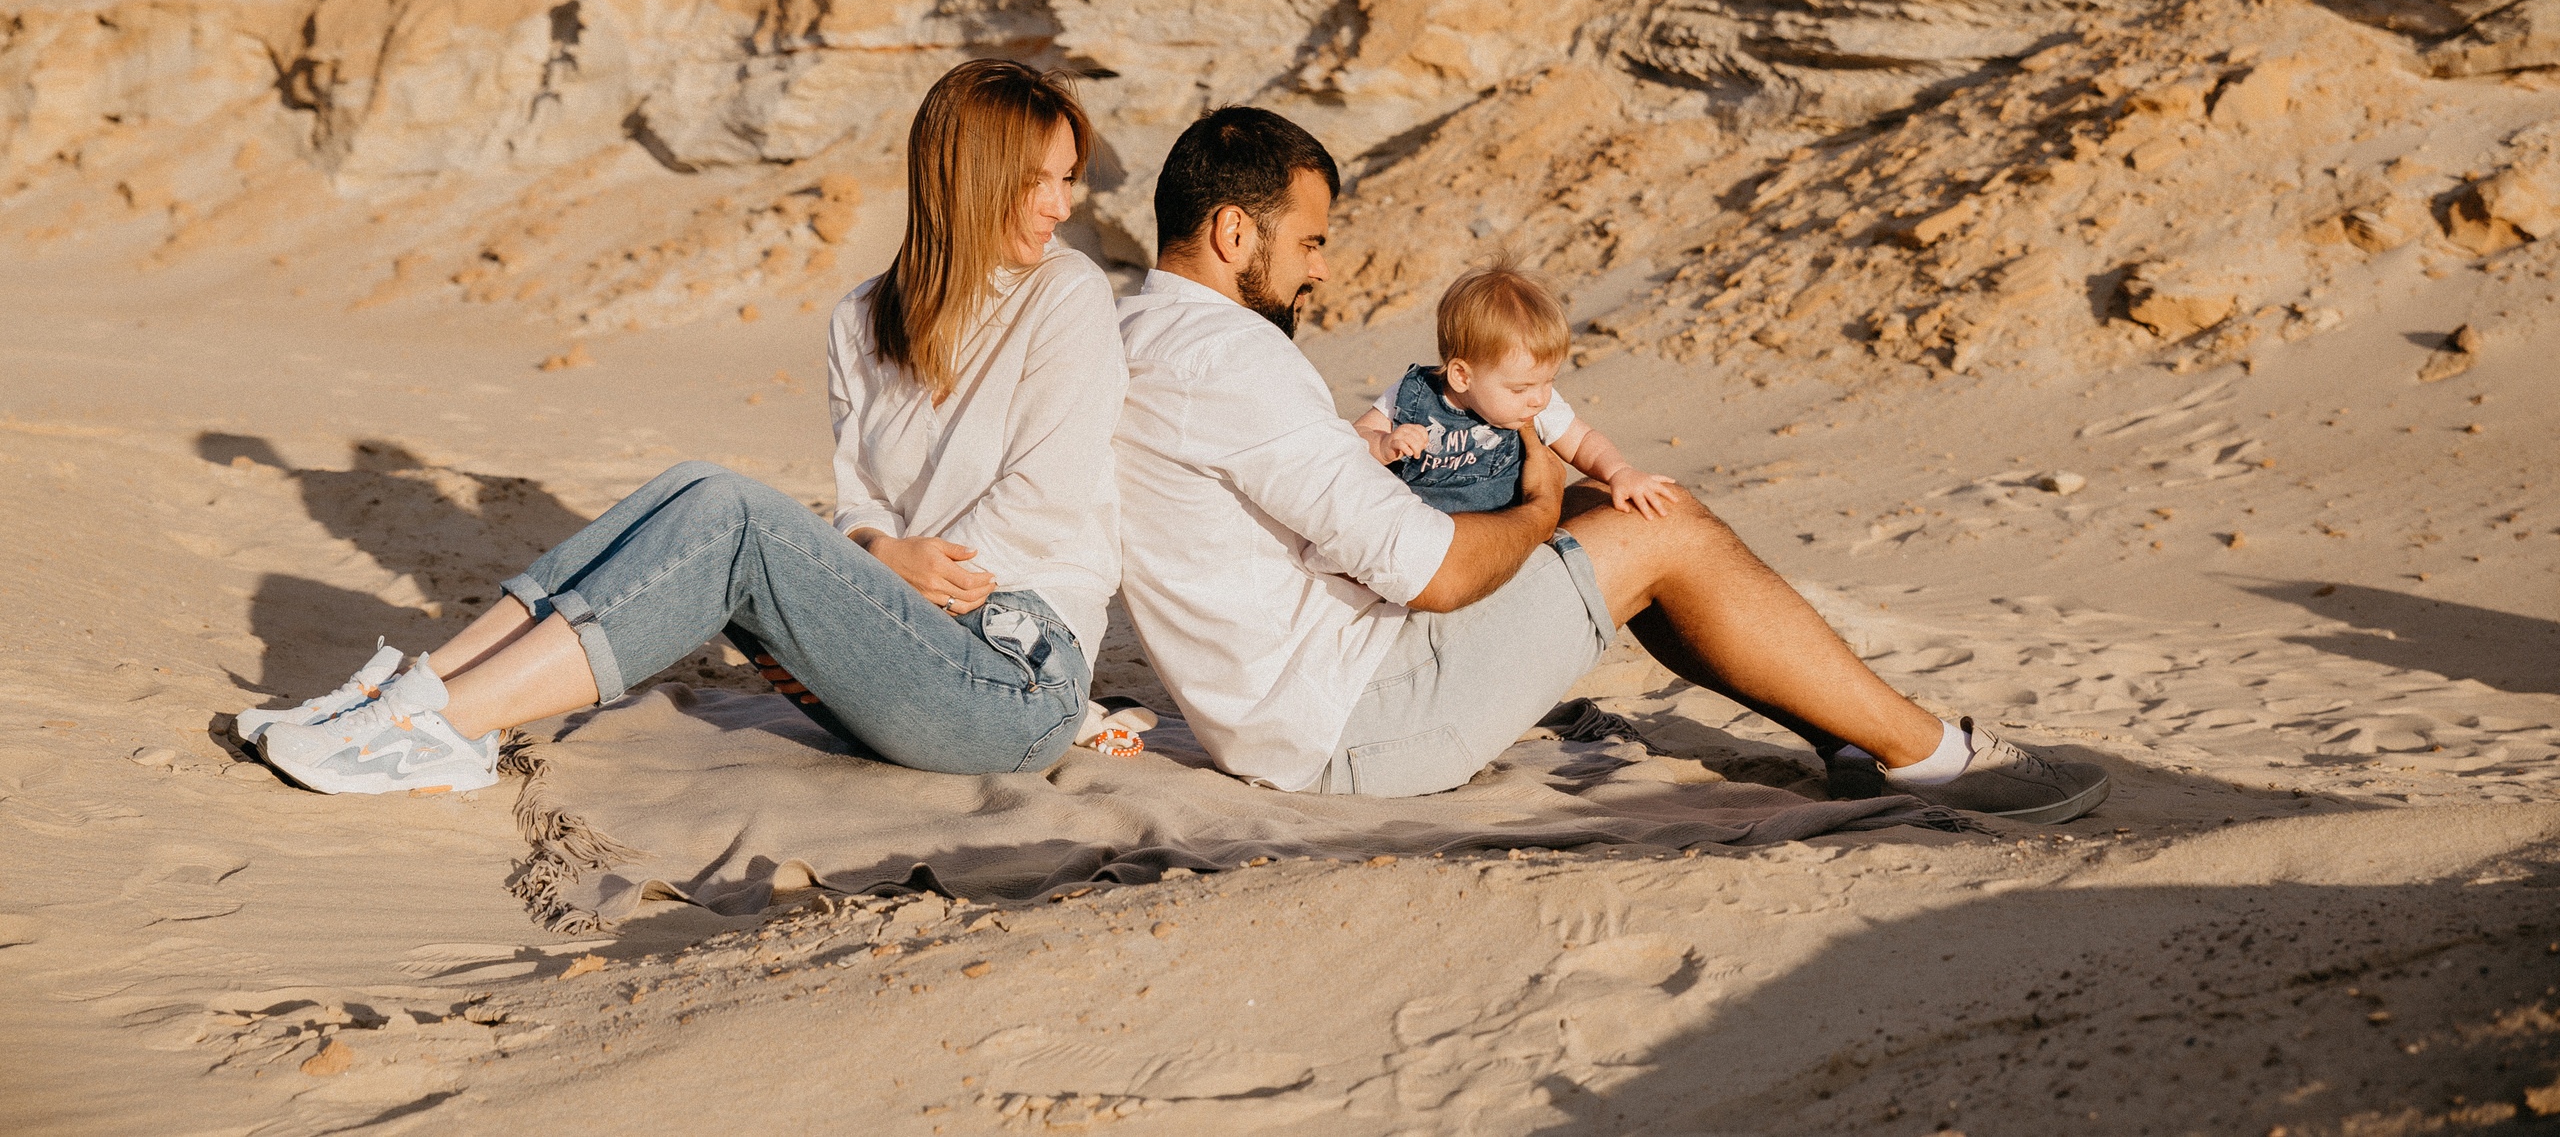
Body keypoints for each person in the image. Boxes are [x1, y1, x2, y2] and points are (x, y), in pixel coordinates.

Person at [1112, 106, 2109, 822]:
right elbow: (1441, 571)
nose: (1320, 267)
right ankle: (1933, 754)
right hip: (1358, 724)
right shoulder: (1234, 358)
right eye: (1310, 240)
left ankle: (1846, 738)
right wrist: (1539, 490)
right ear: (1233, 229)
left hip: (1298, 705)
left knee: (1609, 499)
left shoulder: (1142, 332)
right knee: (1656, 523)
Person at [240, 60, 1124, 795]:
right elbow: (862, 497)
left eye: (1067, 179)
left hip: (1015, 676)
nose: (1060, 205)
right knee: (696, 484)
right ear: (965, 178)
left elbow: (1043, 495)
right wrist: (877, 554)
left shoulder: (1069, 294)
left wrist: (883, 579)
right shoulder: (862, 320)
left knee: (732, 517)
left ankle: (440, 726)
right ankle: (417, 695)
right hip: (898, 644)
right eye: (1035, 179)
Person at [1353, 258, 1684, 518]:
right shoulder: (1413, 394)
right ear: (1462, 377)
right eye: (1519, 389)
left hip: (1501, 530)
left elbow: (1583, 441)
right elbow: (1352, 439)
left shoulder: (1535, 405)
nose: (1539, 398)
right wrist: (1382, 444)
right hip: (1420, 532)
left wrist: (1619, 472)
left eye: (1549, 381)